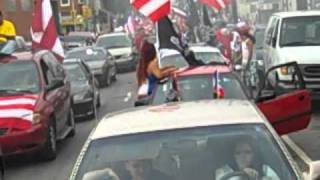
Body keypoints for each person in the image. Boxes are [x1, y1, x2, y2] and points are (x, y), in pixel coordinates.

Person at [215, 138, 280, 180]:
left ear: (254, 155)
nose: (243, 156)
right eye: (238, 153)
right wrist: (242, 176)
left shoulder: (265, 170)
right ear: (233, 156)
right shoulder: (223, 171)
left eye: (247, 152)